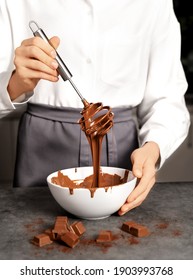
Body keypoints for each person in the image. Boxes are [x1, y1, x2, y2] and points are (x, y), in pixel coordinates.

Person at [0, 0, 190, 216]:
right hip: (41, 147)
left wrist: (154, 148)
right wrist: (16, 83)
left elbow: (168, 98)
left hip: (122, 152)